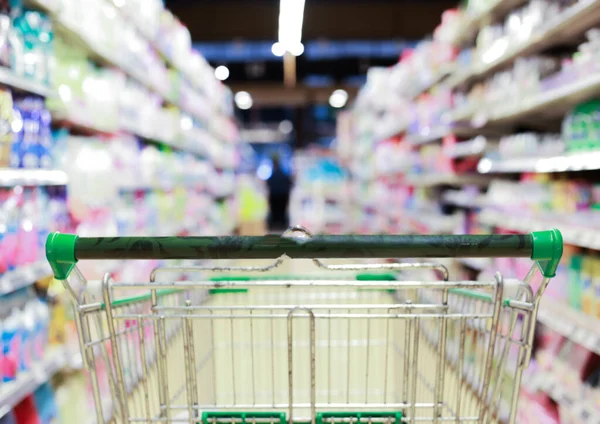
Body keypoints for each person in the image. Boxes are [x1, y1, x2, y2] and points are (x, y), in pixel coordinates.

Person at [266, 154, 292, 230]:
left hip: (275, 197)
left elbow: (269, 183)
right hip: (282, 197)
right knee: (281, 213)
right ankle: (281, 227)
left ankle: (275, 227)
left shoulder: (274, 174)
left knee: (275, 213)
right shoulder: (283, 174)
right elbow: (289, 183)